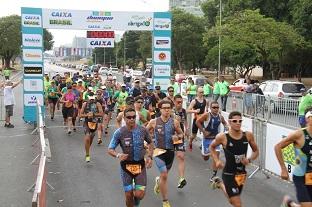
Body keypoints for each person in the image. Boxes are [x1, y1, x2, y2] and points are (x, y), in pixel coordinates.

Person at [209, 111, 259, 207]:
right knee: (237, 204)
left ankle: (220, 184)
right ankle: (222, 183)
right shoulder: (223, 137)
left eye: (240, 121)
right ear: (229, 122)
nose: (238, 123)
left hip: (241, 174)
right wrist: (217, 160)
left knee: (232, 200)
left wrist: (249, 160)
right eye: (235, 121)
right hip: (228, 173)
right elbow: (211, 147)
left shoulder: (248, 135)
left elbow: (256, 151)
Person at [108, 107, 154, 207]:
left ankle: (136, 203)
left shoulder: (142, 130)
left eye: (134, 117)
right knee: (128, 195)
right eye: (129, 117)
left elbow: (150, 143)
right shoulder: (119, 132)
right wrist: (118, 155)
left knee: (139, 195)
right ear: (124, 118)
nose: (132, 119)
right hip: (126, 167)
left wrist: (150, 157)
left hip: (140, 165)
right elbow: (110, 149)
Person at [146, 100, 184, 207]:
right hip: (158, 151)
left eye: (169, 108)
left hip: (170, 152)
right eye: (164, 108)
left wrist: (178, 137)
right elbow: (145, 132)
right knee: (164, 174)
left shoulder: (175, 122)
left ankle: (158, 182)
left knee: (164, 176)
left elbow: (181, 134)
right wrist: (147, 142)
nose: (167, 110)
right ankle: (165, 200)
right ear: (160, 109)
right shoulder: (154, 122)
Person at [275, 107, 312, 207]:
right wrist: (283, 169)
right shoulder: (299, 134)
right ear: (307, 119)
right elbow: (278, 147)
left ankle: (289, 204)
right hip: (300, 177)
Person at [196, 101, 228, 181]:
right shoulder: (207, 115)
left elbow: (225, 123)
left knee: (216, 156)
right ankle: (203, 149)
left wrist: (227, 128)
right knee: (205, 158)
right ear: (210, 108)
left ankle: (214, 175)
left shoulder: (220, 117)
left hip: (216, 140)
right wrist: (203, 131)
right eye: (214, 107)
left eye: (217, 107)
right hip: (206, 139)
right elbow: (197, 122)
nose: (216, 109)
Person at [80, 95, 104, 162]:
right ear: (88, 99)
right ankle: (87, 155)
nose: (92, 100)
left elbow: (101, 114)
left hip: (94, 123)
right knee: (87, 137)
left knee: (91, 137)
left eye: (93, 99)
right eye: (90, 99)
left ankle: (87, 150)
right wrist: (87, 115)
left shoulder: (97, 104)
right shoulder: (85, 104)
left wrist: (93, 115)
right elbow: (80, 115)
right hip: (87, 122)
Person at [173, 94, 189, 188]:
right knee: (168, 159)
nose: (180, 104)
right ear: (174, 102)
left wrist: (186, 129)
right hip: (171, 136)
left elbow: (185, 121)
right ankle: (162, 176)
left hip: (180, 136)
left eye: (181, 102)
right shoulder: (170, 111)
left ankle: (182, 178)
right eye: (178, 102)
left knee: (181, 156)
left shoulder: (183, 111)